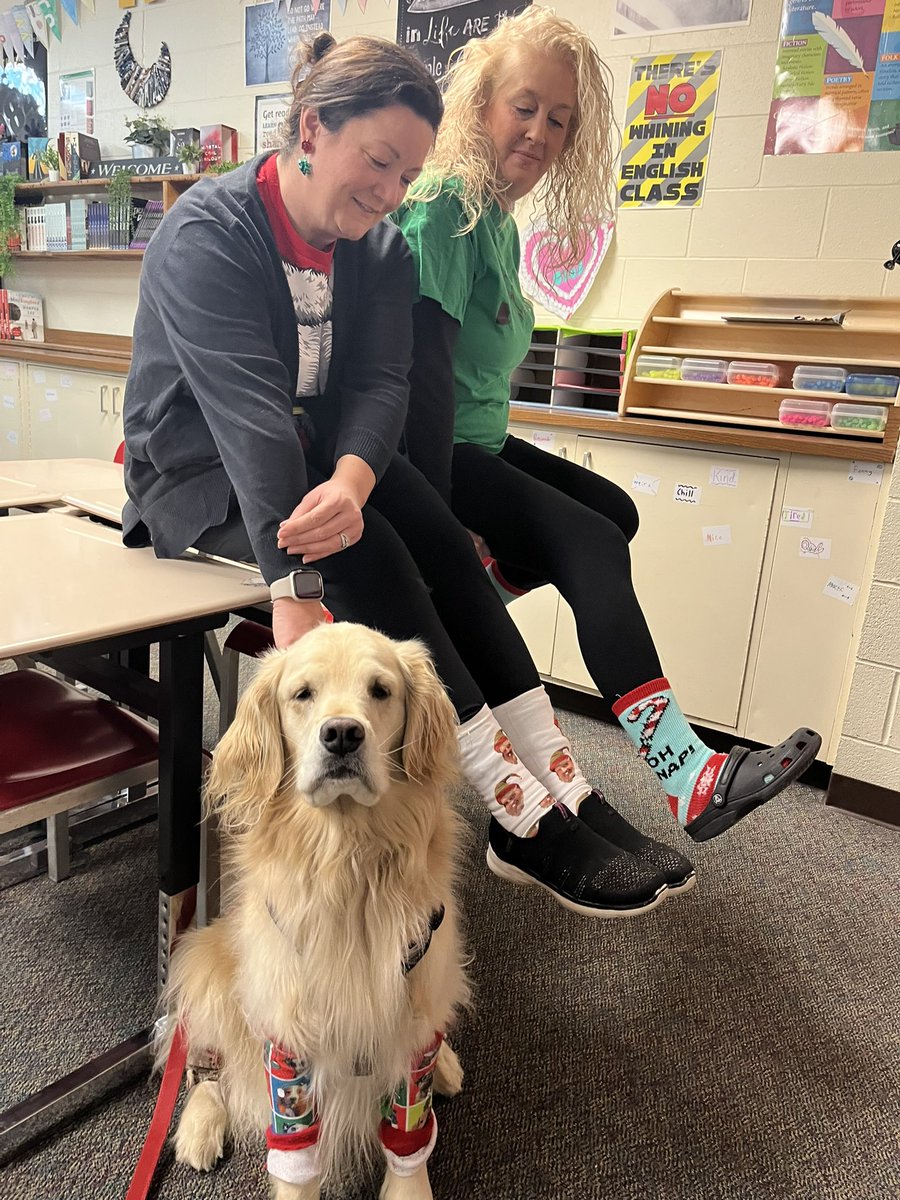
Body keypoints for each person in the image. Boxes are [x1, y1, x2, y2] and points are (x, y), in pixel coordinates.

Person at [122, 30, 691, 949]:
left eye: (406, 172)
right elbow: (249, 418)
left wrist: (354, 476)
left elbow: (382, 384)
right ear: (312, 126)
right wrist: (294, 588)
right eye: (377, 162)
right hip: (199, 472)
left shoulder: (379, 246)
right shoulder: (208, 235)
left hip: (314, 456)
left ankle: (564, 784)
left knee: (437, 535)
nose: (388, 193)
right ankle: (514, 809)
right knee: (375, 551)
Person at [395, 6, 821, 847]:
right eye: (525, 107)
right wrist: (438, 525)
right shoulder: (448, 206)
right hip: (432, 447)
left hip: (475, 440)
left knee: (614, 515)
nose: (541, 131)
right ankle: (685, 771)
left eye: (559, 118)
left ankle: (477, 596)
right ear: (481, 103)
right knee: (588, 543)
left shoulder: (500, 218)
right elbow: (421, 375)